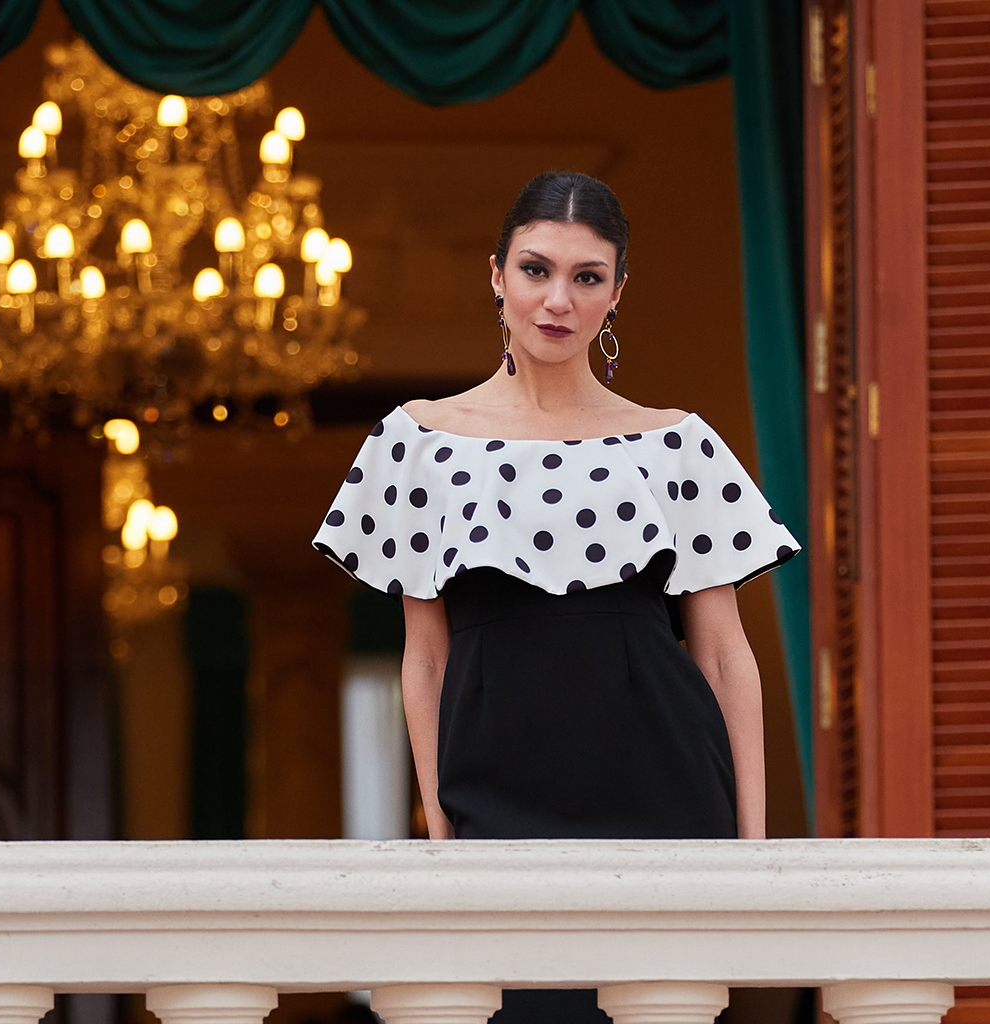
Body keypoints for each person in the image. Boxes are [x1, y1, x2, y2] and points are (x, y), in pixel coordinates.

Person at [311, 170, 800, 1024]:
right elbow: (424, 656)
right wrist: (438, 829)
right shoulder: (416, 440)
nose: (557, 300)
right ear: (496, 276)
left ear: (616, 293)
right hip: (495, 792)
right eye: (536, 270)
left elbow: (724, 655)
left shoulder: (678, 443)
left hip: (665, 789)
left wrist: (752, 853)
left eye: (587, 277)